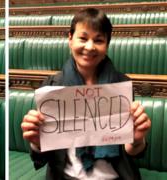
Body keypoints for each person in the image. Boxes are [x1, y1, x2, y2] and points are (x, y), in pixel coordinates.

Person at [21, 8, 151, 180]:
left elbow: (133, 152)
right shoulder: (52, 87)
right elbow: (41, 157)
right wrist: (38, 143)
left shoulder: (123, 86)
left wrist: (137, 141)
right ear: (70, 39)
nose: (89, 47)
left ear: (107, 45)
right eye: (83, 38)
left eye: (98, 40)